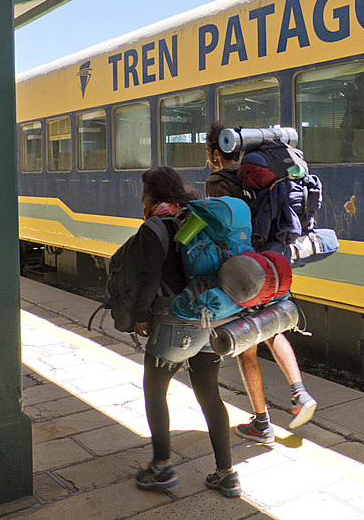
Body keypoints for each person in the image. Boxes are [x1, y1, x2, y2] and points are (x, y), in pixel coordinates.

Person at [132, 166, 241, 498]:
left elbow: (149, 280)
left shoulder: (155, 226)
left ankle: (162, 467)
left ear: (150, 195)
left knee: (155, 390)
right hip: (212, 316)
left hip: (176, 321)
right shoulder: (197, 216)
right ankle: (227, 474)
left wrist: (139, 317)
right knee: (210, 394)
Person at [206, 121, 318, 445]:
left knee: (247, 347)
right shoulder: (256, 174)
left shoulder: (217, 183)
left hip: (246, 271)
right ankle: (299, 393)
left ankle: (261, 422)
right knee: (274, 330)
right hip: (273, 260)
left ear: (215, 154)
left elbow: (222, 233)